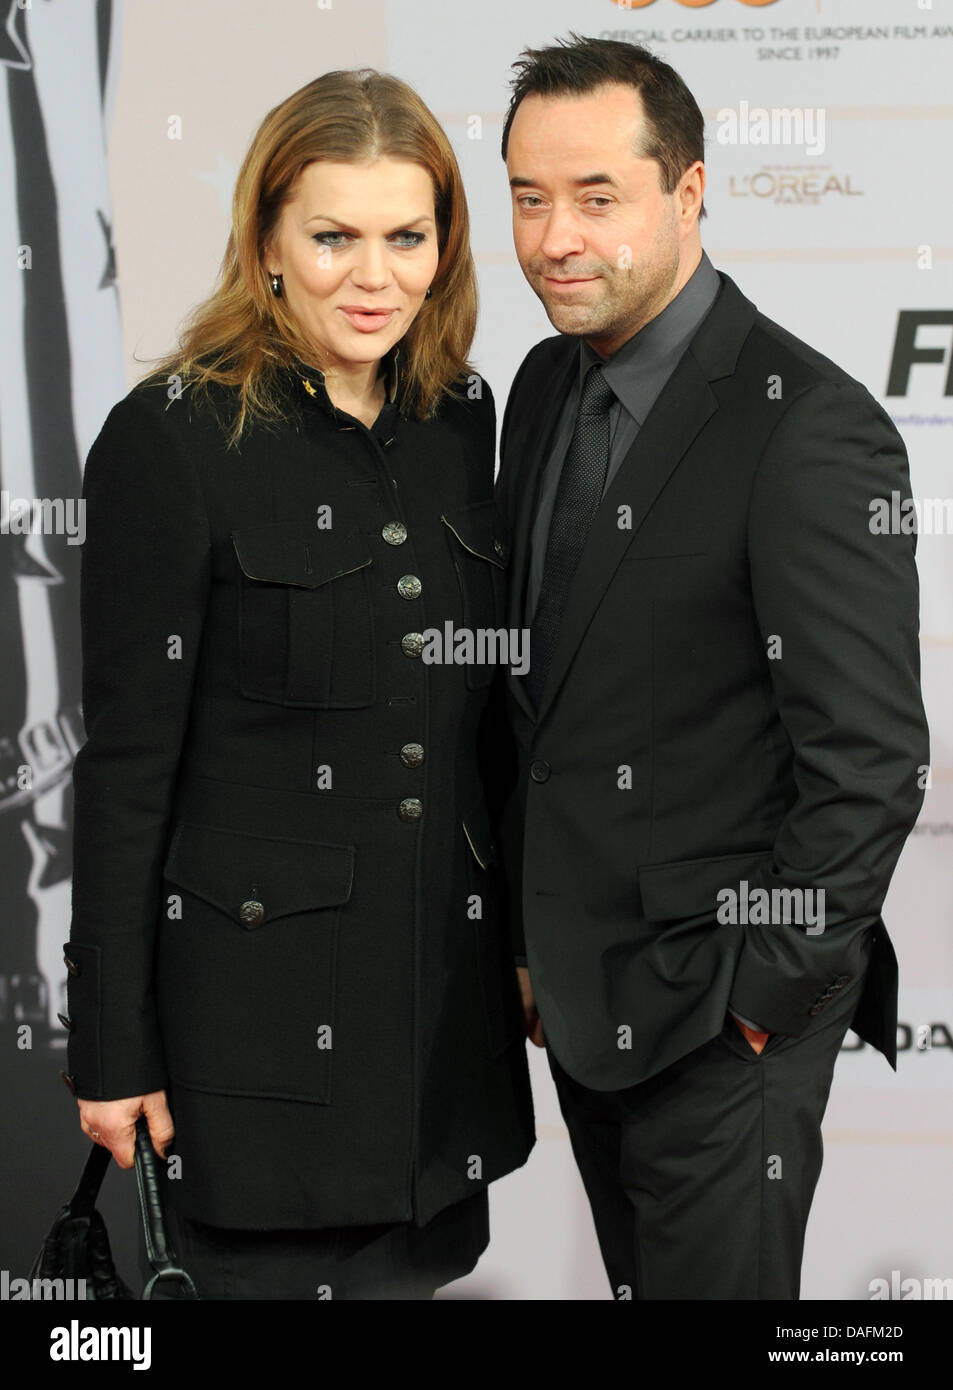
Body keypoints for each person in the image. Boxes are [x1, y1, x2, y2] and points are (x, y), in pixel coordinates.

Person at [60, 68, 533, 1301]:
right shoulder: (170, 439)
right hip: (251, 1053)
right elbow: (124, 773)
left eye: (404, 236)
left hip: (436, 1042)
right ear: (266, 240)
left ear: (444, 243)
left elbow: (488, 741)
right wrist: (110, 1051)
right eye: (332, 237)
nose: (372, 276)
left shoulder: (462, 419)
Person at [494, 35, 929, 1300]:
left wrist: (757, 1003)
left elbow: (867, 764)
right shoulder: (538, 385)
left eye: (594, 198)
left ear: (686, 195)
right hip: (579, 1006)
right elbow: (541, 700)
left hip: (720, 1025)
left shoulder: (808, 426)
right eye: (527, 199)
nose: (554, 239)